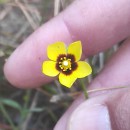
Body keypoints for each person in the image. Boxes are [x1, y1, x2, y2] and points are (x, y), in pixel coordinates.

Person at [4, 0, 130, 130]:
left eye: (67, 62)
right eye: (63, 63)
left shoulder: (76, 59)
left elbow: (82, 67)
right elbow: (54, 66)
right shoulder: (58, 65)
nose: (65, 63)